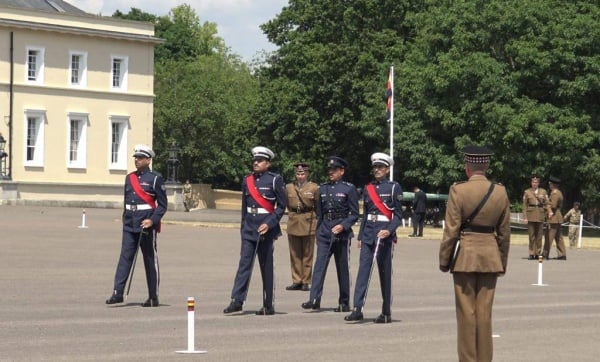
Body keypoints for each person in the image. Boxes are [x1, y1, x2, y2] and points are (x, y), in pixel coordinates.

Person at [439, 146, 511, 362]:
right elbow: (504, 233)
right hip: (490, 258)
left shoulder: (458, 190)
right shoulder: (500, 191)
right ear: (486, 166)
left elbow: (451, 230)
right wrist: (502, 262)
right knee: (484, 315)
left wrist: (444, 260)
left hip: (466, 257)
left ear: (467, 167)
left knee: (466, 316)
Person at [223, 147, 286, 315]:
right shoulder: (247, 180)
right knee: (244, 265)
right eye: (254, 160)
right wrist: (243, 226)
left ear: (268, 163)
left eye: (259, 161)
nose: (256, 163)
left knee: (266, 267)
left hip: (265, 228)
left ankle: (268, 304)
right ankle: (237, 300)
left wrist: (270, 223)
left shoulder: (274, 180)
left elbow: (281, 206)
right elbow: (244, 207)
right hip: (249, 227)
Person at [106, 144, 168, 307]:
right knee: (125, 257)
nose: (137, 160)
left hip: (145, 223)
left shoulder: (155, 178)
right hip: (130, 221)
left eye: (140, 158)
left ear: (148, 160)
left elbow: (162, 205)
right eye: (136, 157)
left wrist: (152, 220)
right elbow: (127, 200)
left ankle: (153, 296)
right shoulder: (130, 178)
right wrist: (125, 217)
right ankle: (117, 293)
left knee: (149, 260)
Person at [344, 153, 402, 324]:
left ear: (387, 169)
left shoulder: (393, 187)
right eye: (375, 167)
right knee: (363, 271)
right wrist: (361, 236)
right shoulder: (368, 187)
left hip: (384, 235)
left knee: (384, 274)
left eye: (381, 167)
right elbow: (366, 214)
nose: (377, 170)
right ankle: (357, 308)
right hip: (369, 233)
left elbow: (398, 215)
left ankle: (386, 312)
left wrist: (389, 231)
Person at [302, 156, 359, 312]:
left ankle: (344, 302)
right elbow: (320, 212)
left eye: (334, 170)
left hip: (341, 234)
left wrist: (343, 225)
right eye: (329, 170)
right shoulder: (323, 188)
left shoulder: (349, 188)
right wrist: (319, 232)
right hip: (325, 232)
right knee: (319, 267)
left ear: (342, 171)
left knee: (342, 269)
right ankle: (314, 299)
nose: (331, 172)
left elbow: (354, 214)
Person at [285, 163, 319, 291]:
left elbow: (317, 206)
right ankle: (296, 280)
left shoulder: (314, 188)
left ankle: (306, 281)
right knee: (294, 254)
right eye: (298, 174)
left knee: (307, 254)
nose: (300, 176)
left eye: (302, 174)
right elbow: (288, 205)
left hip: (308, 222)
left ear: (307, 174)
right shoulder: (289, 187)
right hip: (294, 221)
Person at [522, 174, 548, 259]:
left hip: (540, 214)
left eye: (536, 182)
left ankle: (538, 253)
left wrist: (543, 203)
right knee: (531, 235)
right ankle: (531, 253)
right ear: (531, 182)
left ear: (538, 183)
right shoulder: (527, 192)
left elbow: (547, 203)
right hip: (531, 214)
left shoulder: (543, 192)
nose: (534, 183)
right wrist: (525, 217)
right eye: (533, 182)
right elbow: (525, 206)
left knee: (539, 236)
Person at [543, 176, 567, 260]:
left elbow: (552, 205)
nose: (549, 185)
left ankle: (545, 254)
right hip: (557, 217)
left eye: (550, 184)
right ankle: (562, 254)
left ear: (553, 184)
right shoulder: (557, 192)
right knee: (558, 237)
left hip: (553, 217)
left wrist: (545, 201)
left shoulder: (555, 193)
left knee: (549, 236)